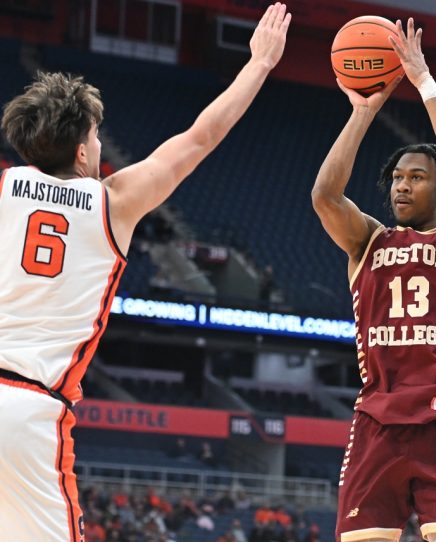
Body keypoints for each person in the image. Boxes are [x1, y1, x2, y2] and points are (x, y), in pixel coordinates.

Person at [0, 4, 291, 541]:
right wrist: (259, 64)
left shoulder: (3, 189)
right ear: (83, 151)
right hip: (31, 410)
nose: (99, 144)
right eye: (96, 135)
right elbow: (201, 137)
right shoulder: (112, 202)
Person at [312, 17, 436, 542]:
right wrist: (363, 111)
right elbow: (325, 196)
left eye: (416, 177)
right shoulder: (368, 240)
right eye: (396, 177)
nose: (402, 186)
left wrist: (424, 82)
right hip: (375, 424)